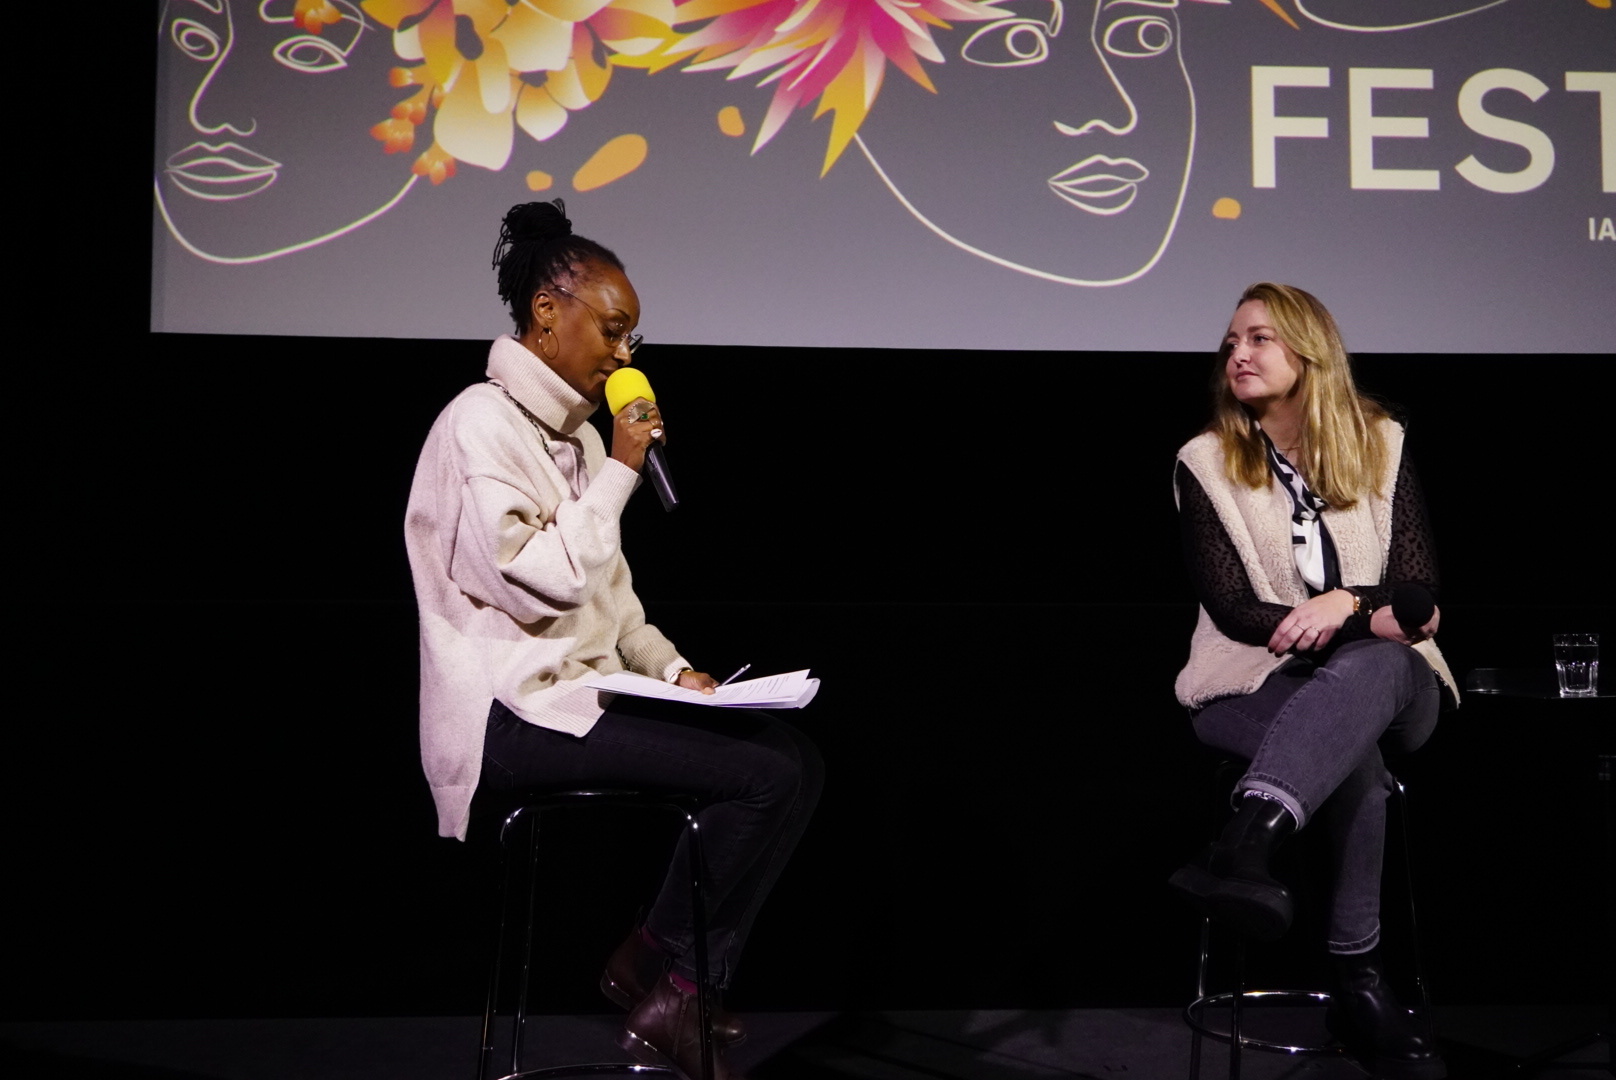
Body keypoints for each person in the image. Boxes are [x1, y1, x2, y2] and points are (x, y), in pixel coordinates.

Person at [404, 200, 822, 1080]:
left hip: (580, 696)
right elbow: (535, 578)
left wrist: (675, 669)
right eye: (614, 329)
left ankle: (660, 967)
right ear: (548, 312)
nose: (624, 355)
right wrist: (624, 473)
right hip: (506, 715)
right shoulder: (479, 425)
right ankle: (671, 983)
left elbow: (615, 603)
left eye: (632, 337)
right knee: (763, 775)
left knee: (792, 758)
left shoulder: (584, 441)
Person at [1167, 283, 1456, 1080]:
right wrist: (1369, 614)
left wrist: (1344, 607)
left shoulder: (1382, 443)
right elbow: (1234, 610)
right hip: (1253, 682)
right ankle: (1359, 980)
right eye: (1231, 342)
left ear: (1309, 351)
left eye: (1258, 338)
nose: (1239, 354)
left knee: (1378, 666)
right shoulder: (1206, 462)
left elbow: (1419, 600)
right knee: (1350, 756)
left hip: (1399, 684)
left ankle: (1242, 842)